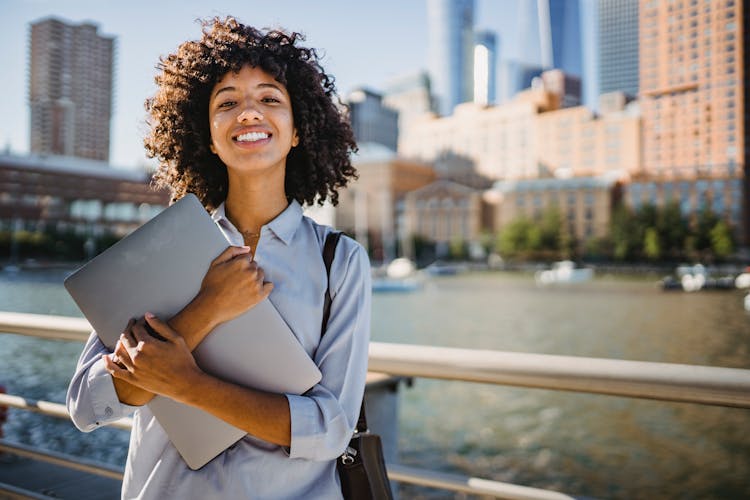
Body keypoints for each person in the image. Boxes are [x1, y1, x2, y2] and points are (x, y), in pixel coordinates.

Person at [66, 16, 371, 499]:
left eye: (270, 98)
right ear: (208, 135)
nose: (249, 112)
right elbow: (89, 404)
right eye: (227, 102)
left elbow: (331, 429)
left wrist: (188, 385)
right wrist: (206, 309)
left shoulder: (341, 262)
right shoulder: (157, 250)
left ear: (297, 131)